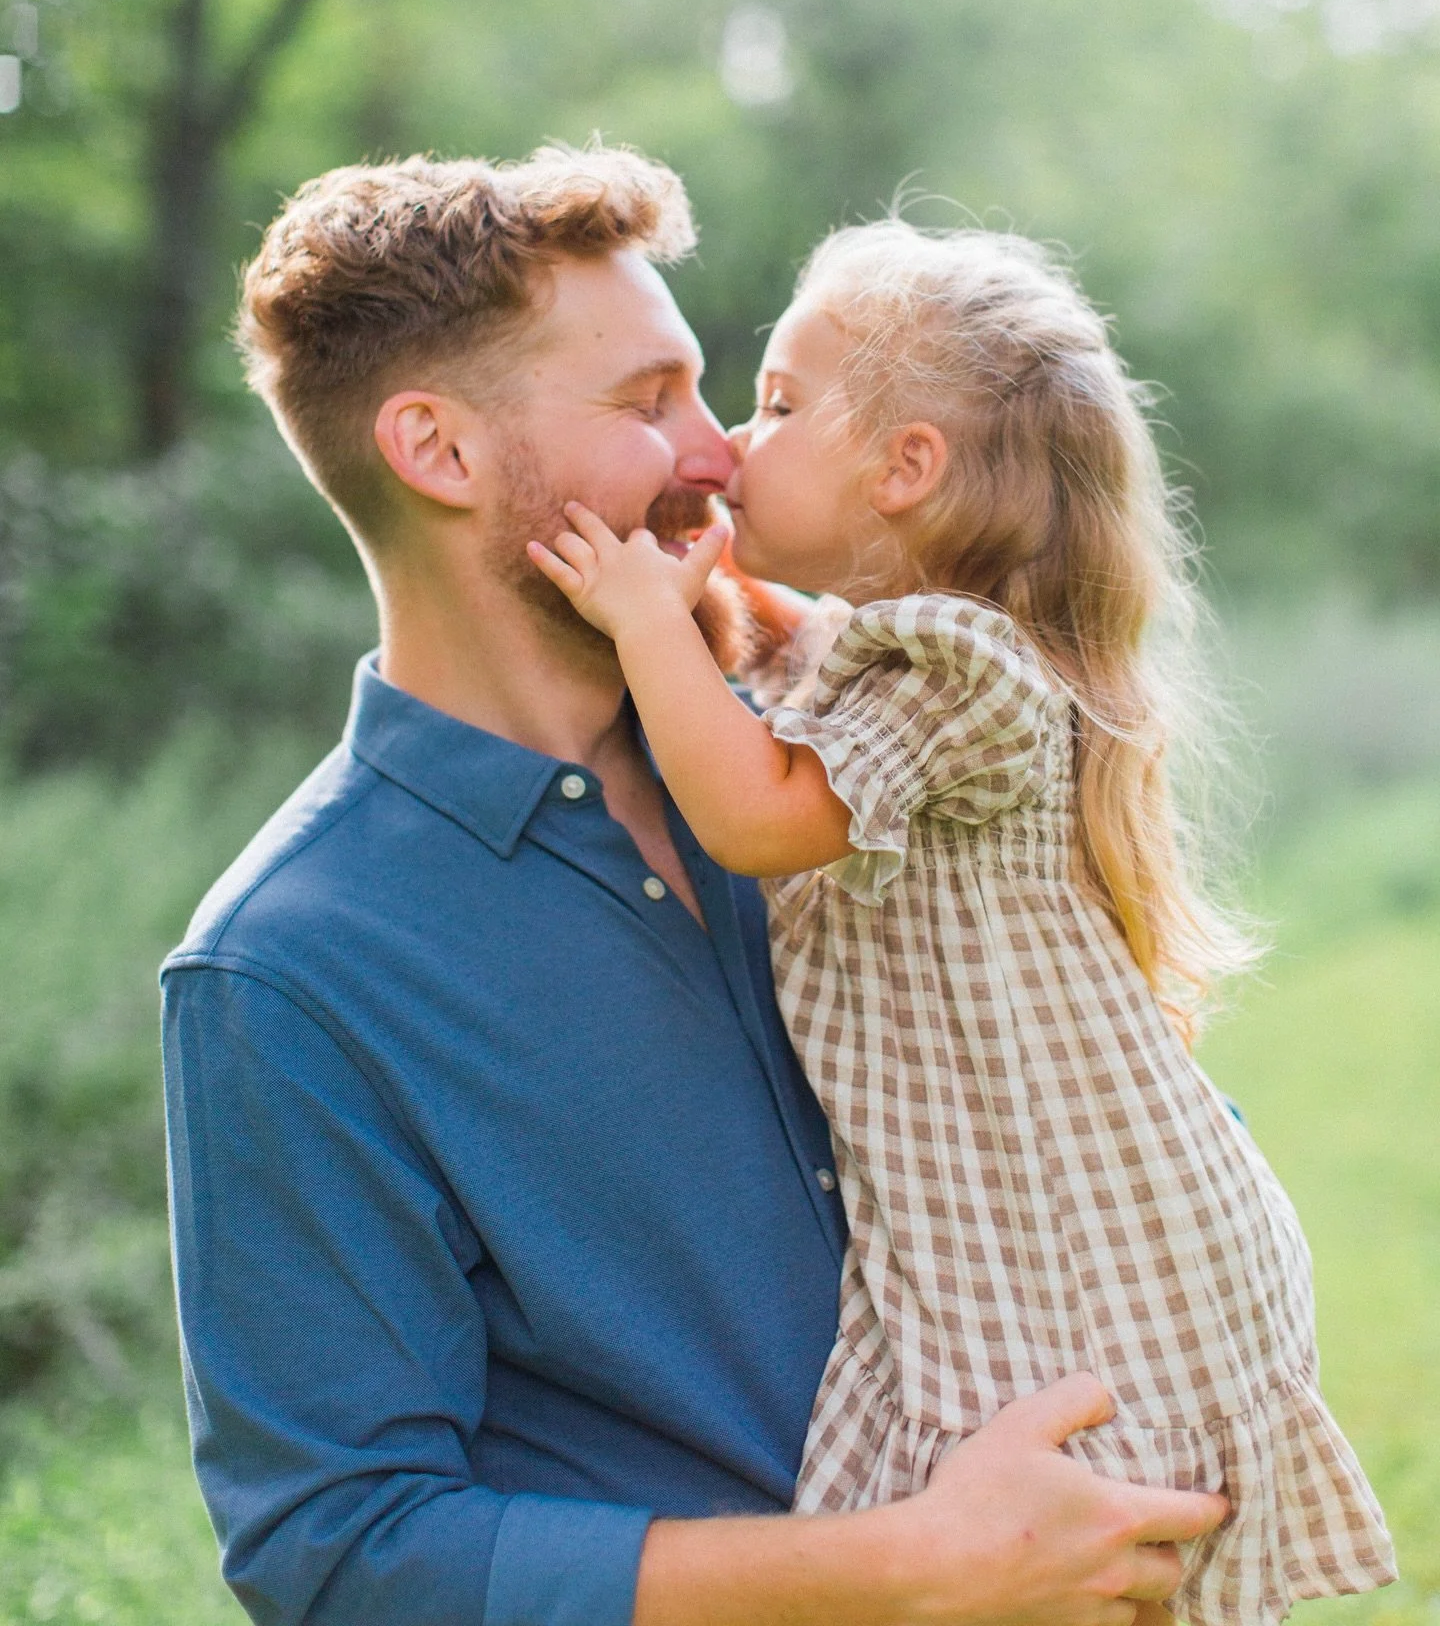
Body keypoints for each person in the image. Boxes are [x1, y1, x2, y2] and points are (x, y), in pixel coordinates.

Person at [162, 145, 1227, 1626]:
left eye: (720, 391)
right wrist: (911, 1568)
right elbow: (341, 1555)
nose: (720, 451)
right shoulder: (289, 974)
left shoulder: (837, 736)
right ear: (442, 453)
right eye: (648, 401)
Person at [529, 218, 1398, 1626]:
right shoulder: (878, 657)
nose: (740, 440)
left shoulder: (966, 664)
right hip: (992, 1227)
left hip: (1081, 1256)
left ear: (906, 468)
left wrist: (640, 627)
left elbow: (757, 814)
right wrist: (697, 591)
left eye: (781, 404)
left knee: (1057, 1570)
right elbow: (776, 663)